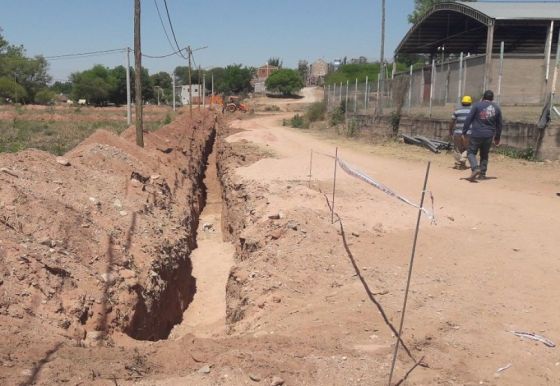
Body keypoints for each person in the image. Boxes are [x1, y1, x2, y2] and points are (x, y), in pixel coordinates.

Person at [462, 90, 502, 181]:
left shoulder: (476, 105)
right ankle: (482, 174)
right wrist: (497, 137)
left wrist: (464, 131)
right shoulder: (497, 108)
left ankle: (475, 168)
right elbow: (499, 124)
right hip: (489, 135)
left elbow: (469, 119)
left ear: (483, 97)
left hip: (476, 134)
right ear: (492, 98)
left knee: (471, 153)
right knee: (484, 154)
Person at [449, 95, 473, 169]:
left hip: (458, 132)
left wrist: (450, 130)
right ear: (470, 103)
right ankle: (462, 161)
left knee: (459, 149)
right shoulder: (472, 111)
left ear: (462, 103)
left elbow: (452, 121)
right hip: (468, 133)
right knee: (469, 148)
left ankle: (460, 163)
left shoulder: (457, 111)